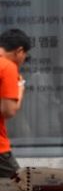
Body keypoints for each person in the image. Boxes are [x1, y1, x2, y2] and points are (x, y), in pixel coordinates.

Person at [0, 28, 30, 178]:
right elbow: (8, 110)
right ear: (19, 51)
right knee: (19, 185)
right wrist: (20, 89)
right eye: (25, 55)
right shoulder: (7, 67)